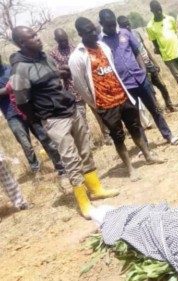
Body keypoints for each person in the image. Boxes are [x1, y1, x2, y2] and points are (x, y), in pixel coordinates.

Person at [10, 26, 119, 219]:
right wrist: (39, 119)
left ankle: (96, 188)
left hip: (70, 109)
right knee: (70, 158)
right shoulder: (20, 69)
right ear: (22, 43)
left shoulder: (45, 57)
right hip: (53, 118)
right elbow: (22, 101)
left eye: (36, 34)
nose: (38, 38)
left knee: (85, 150)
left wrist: (63, 73)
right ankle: (84, 202)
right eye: (32, 37)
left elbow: (54, 79)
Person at [69, 17, 165, 182]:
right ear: (80, 34)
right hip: (105, 104)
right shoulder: (77, 57)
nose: (94, 33)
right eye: (88, 31)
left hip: (122, 96)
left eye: (94, 29)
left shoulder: (103, 47)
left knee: (136, 127)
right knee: (118, 136)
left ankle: (148, 156)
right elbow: (81, 86)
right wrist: (96, 103)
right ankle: (130, 168)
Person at [99, 9, 178, 146]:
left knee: (155, 109)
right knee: (135, 118)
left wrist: (143, 70)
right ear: (101, 24)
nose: (112, 27)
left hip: (140, 79)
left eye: (113, 24)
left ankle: (168, 135)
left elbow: (137, 52)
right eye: (109, 25)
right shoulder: (101, 43)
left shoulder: (125, 33)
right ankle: (145, 146)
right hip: (125, 86)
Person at [49, 28, 112, 146]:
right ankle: (88, 144)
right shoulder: (53, 53)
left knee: (99, 112)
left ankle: (108, 136)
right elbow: (58, 72)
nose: (64, 42)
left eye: (65, 39)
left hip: (87, 86)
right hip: (72, 91)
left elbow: (85, 64)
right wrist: (72, 67)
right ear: (56, 40)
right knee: (82, 120)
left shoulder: (75, 48)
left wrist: (68, 68)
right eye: (61, 40)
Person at [116, 16, 178, 113]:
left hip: (149, 64)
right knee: (151, 91)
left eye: (128, 23)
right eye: (125, 24)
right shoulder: (121, 38)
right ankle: (159, 110)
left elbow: (145, 48)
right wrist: (141, 68)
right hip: (141, 68)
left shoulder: (136, 33)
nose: (128, 25)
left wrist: (155, 62)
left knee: (162, 86)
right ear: (120, 26)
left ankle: (169, 105)